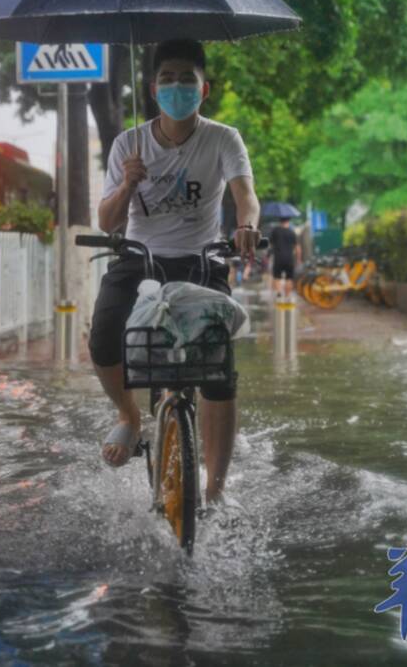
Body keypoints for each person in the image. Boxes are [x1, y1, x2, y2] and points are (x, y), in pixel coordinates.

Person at [89, 38, 261, 504]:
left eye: (188, 78)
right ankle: (128, 415)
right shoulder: (129, 143)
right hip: (140, 258)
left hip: (203, 258)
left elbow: (246, 196)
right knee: (104, 336)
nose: (178, 86)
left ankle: (215, 490)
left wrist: (246, 225)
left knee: (217, 370)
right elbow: (107, 222)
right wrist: (127, 183)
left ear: (204, 90)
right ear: (152, 88)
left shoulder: (223, 138)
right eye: (168, 79)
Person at [269, 217, 301, 297]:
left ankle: (279, 292)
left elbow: (270, 244)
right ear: (288, 221)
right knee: (289, 278)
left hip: (278, 257)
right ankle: (287, 296)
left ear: (280, 221)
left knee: (277, 276)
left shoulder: (275, 231)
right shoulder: (292, 232)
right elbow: (297, 247)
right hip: (289, 258)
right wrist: (298, 259)